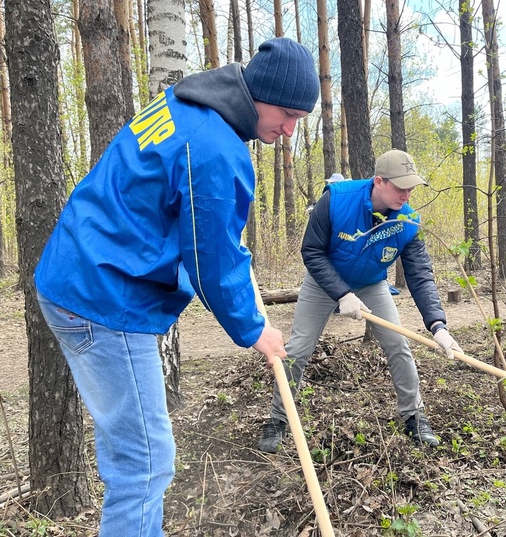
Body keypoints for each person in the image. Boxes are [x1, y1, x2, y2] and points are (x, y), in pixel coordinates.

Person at [33, 37, 320, 536]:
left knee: (140, 457)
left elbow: (188, 219)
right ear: (260, 93)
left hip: (77, 270)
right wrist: (255, 329)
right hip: (105, 296)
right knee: (143, 463)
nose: (290, 130)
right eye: (288, 114)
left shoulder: (185, 105)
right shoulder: (215, 149)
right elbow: (209, 259)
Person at [258, 149, 463, 452]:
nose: (406, 194)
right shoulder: (337, 200)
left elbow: (420, 275)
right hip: (323, 282)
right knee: (298, 349)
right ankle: (278, 419)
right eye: (400, 187)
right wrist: (341, 294)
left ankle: (414, 416)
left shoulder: (408, 221)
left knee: (398, 344)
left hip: (370, 285)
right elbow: (311, 251)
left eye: (411, 187)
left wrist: (438, 325)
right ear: (379, 181)